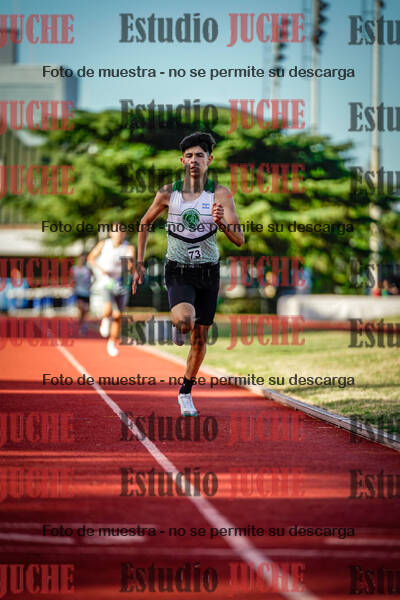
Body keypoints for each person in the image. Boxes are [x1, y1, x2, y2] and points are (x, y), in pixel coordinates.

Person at [132, 132, 244, 416]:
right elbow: (145, 222)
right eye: (189, 155)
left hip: (208, 272)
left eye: (200, 155)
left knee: (200, 339)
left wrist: (221, 223)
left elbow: (240, 239)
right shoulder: (168, 193)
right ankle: (180, 323)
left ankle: (185, 392)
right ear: (182, 160)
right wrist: (139, 262)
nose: (194, 160)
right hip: (179, 269)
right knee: (185, 322)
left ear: (209, 160)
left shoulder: (221, 195)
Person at [88, 227, 135, 357]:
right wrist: (100, 270)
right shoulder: (103, 244)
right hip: (106, 281)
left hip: (121, 283)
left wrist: (130, 265)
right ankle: (105, 319)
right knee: (108, 309)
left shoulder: (128, 247)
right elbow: (91, 258)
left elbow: (131, 265)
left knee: (118, 315)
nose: (119, 234)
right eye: (116, 231)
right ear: (111, 233)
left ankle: (112, 342)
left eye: (121, 232)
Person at [71, 253, 92, 334]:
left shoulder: (87, 269)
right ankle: (82, 323)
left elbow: (93, 277)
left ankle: (82, 322)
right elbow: (71, 279)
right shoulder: (74, 269)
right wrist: (72, 286)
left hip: (87, 292)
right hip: (78, 291)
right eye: (81, 259)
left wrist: (91, 284)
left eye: (84, 259)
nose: (82, 261)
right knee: (81, 308)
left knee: (86, 310)